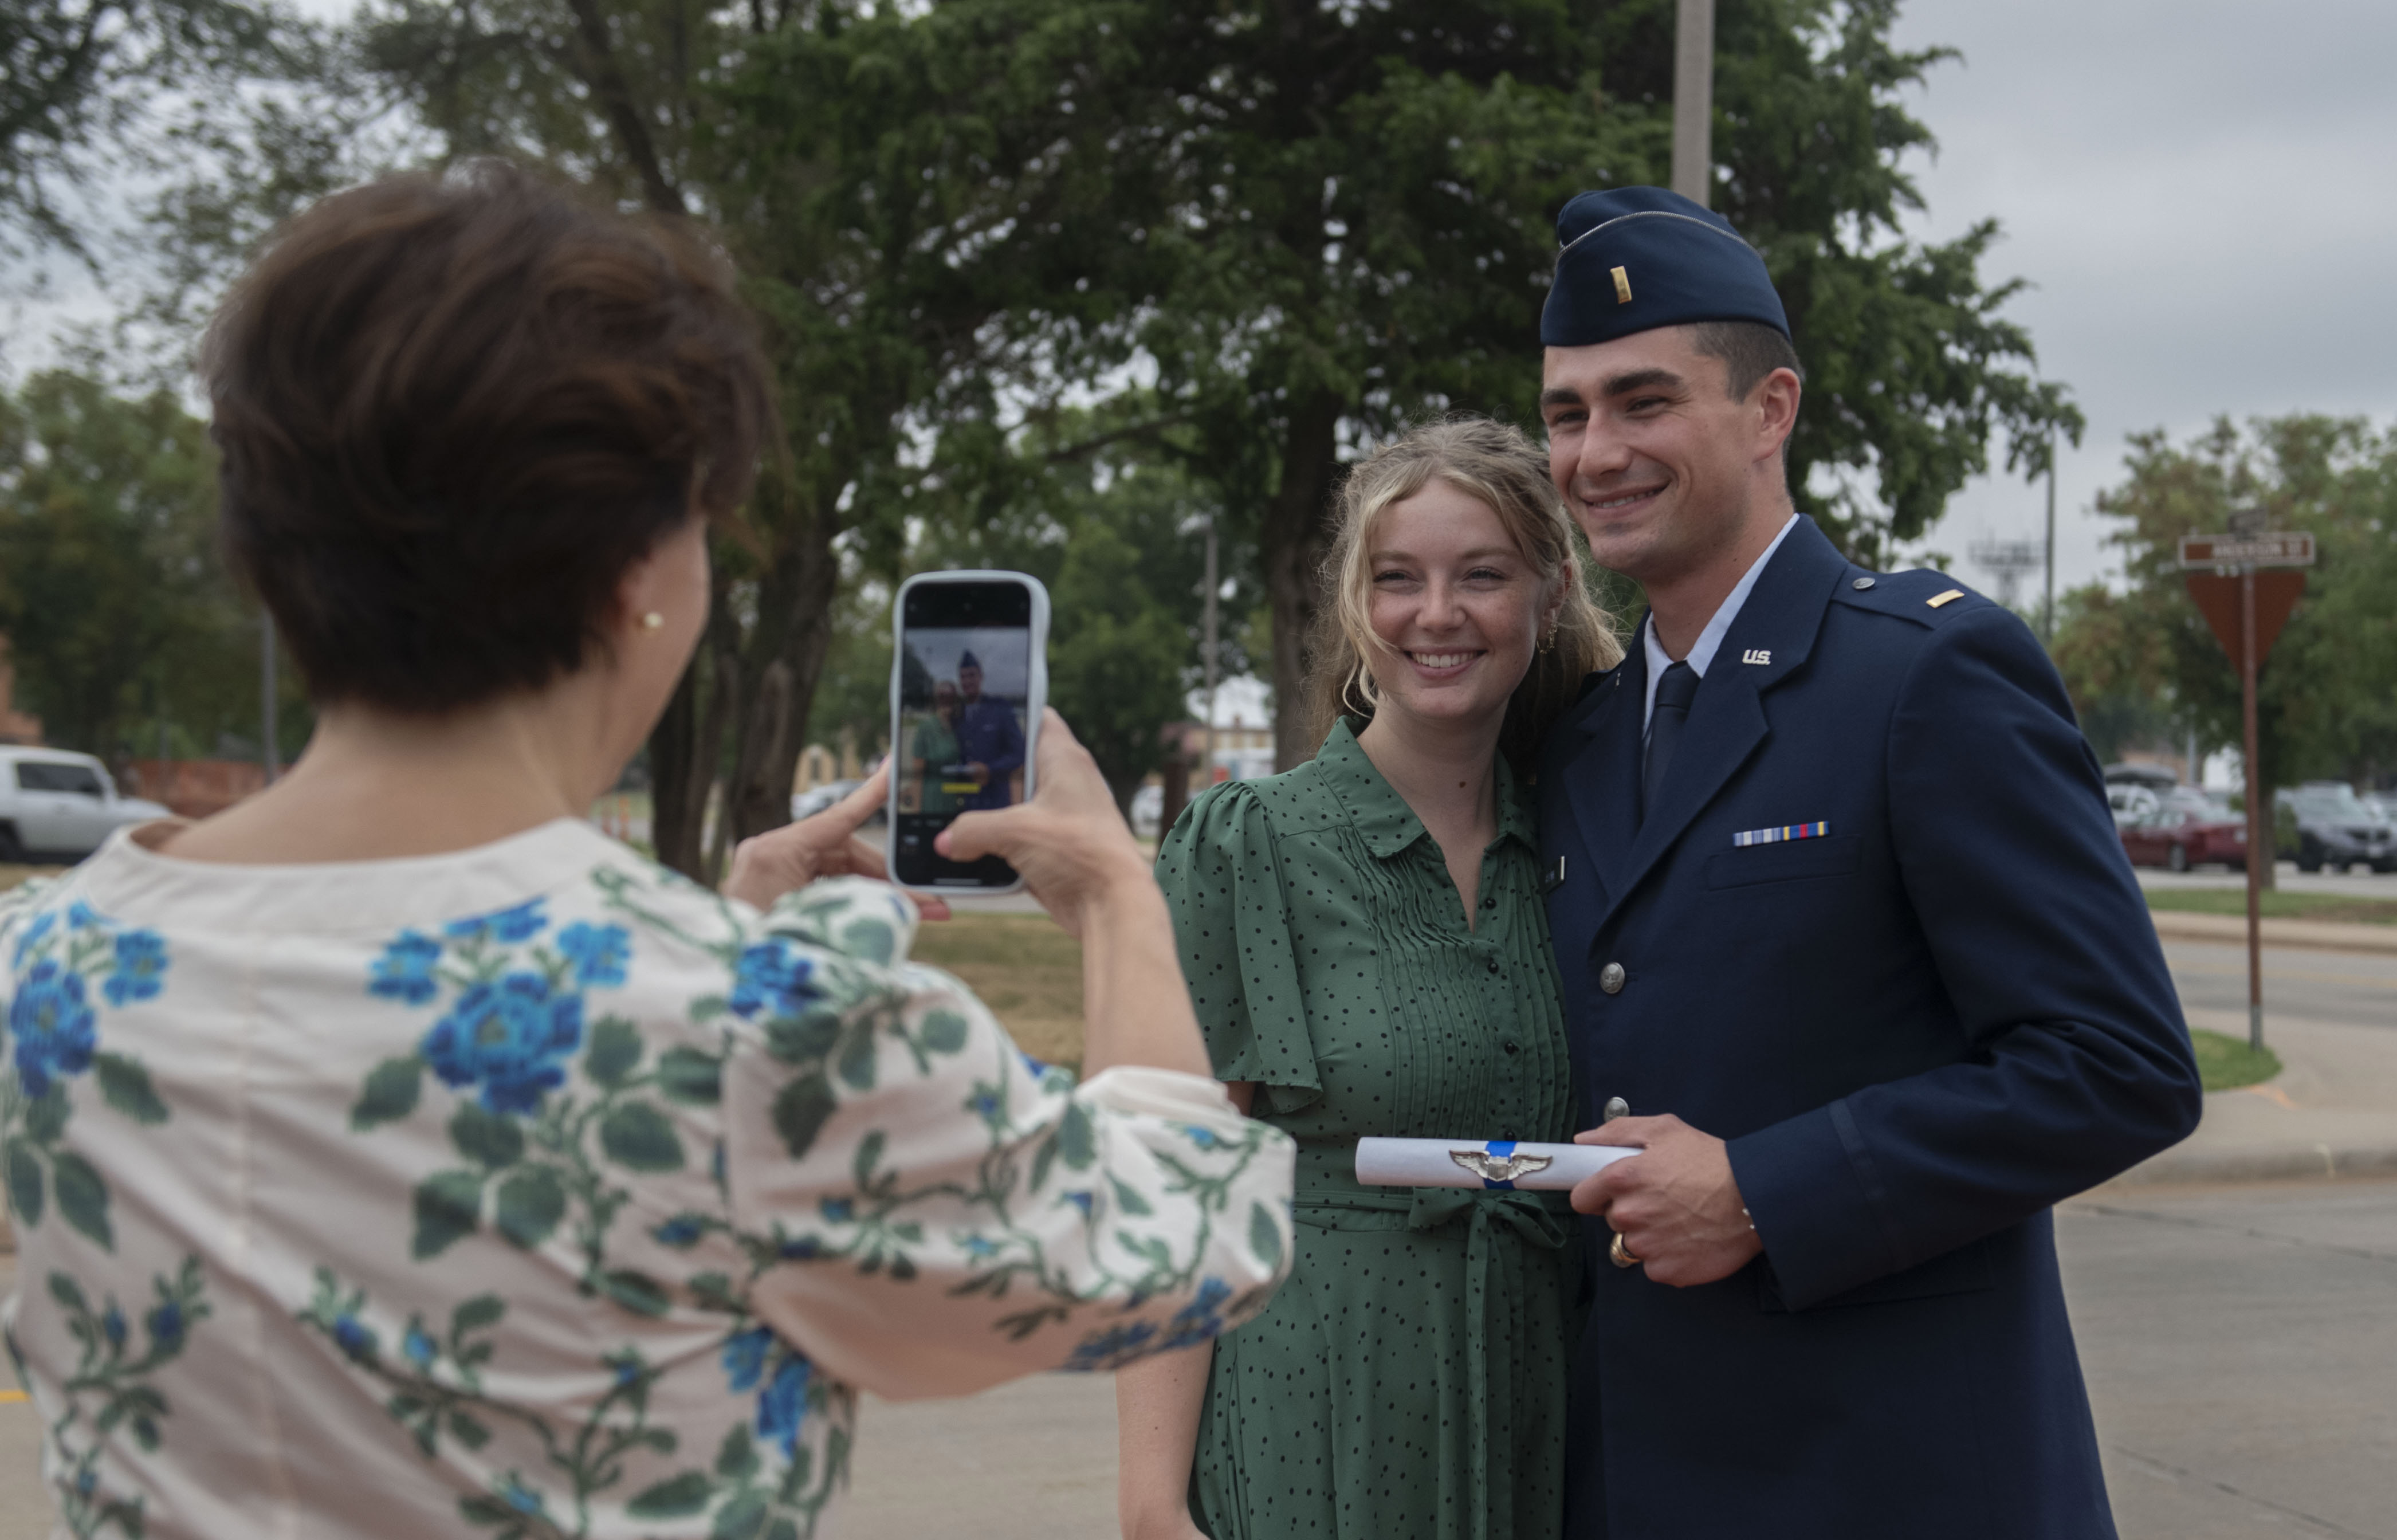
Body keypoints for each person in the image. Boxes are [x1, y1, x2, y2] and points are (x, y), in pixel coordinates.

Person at [0, 162, 1293, 1540]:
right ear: (636, 572)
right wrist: (1114, 895)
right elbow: (1172, 1250)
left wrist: (709, 928)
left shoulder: (46, 970)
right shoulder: (759, 1029)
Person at [1530, 185, 2202, 1538]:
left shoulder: (1923, 674)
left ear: (1768, 410)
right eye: (1566, 413)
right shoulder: (1582, 735)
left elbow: (2117, 1066)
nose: (1595, 451)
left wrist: (1761, 1192)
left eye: (1642, 402)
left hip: (1884, 1477)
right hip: (1634, 1482)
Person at [1118, 418, 1622, 1540]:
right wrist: (1152, 1505)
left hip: (1533, 1414)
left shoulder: (1585, 853)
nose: (1435, 614)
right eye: (1398, 580)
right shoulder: (1245, 847)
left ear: (1546, 598)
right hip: (1311, 1417)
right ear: (1356, 606)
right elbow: (1177, 1182)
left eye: (1480, 576)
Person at [954, 650, 1026, 809]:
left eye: (971, 675)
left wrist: (990, 769)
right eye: (963, 677)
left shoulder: (999, 709)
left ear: (981, 677)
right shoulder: (956, 713)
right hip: (965, 802)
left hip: (995, 800)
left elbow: (1018, 754)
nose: (967, 681)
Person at [909, 678, 966, 814]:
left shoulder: (960, 728)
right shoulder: (926, 729)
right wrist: (916, 812)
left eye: (950, 697)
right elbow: (917, 775)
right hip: (932, 796)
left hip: (953, 795)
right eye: (942, 697)